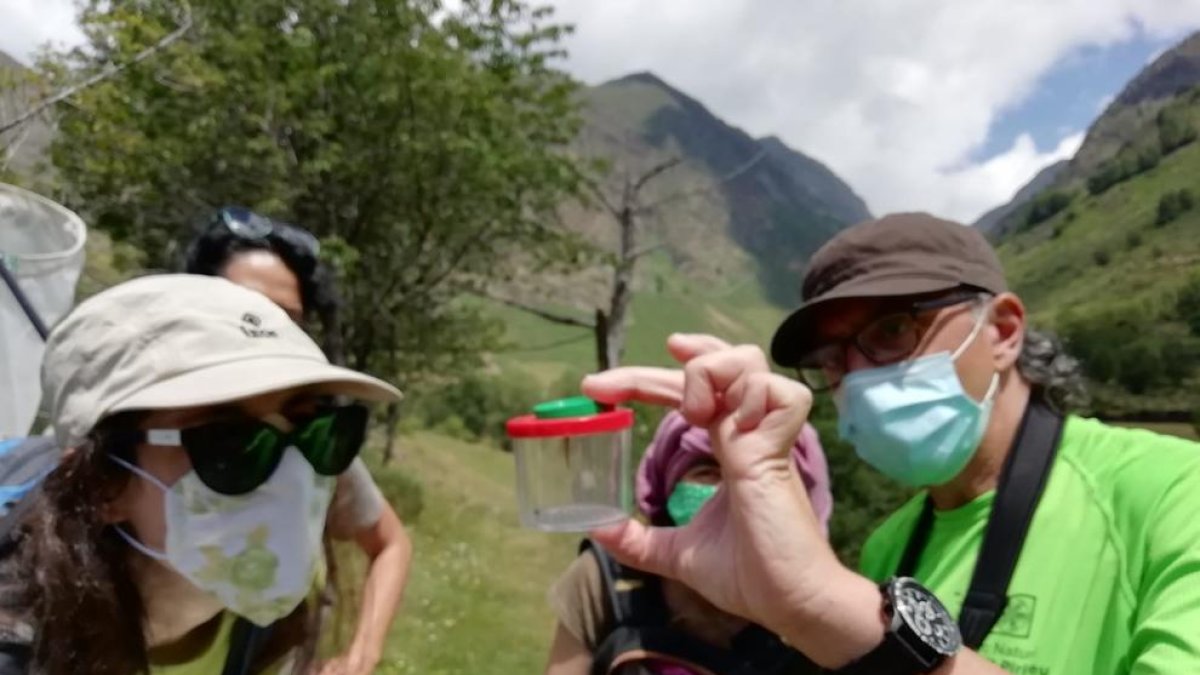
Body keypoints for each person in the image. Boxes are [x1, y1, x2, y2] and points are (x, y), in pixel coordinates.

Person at [578, 212, 1200, 674]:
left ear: (1004, 331)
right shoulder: (889, 545)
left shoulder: (1173, 494)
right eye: (830, 360)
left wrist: (827, 605)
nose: (857, 379)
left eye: (894, 329)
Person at [0, 274, 401, 674]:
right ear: (103, 483)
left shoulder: (256, 608)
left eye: (316, 430)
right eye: (227, 443)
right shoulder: (22, 645)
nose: (292, 473)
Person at [185, 207, 412, 675]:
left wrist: (361, 654)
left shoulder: (307, 448)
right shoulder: (143, 439)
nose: (264, 332)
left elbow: (391, 543)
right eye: (241, 310)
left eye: (286, 319)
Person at [544, 411, 832, 675]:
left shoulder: (819, 612)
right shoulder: (608, 578)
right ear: (667, 486)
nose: (726, 495)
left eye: (756, 480)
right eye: (707, 471)